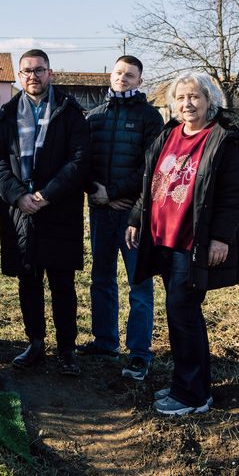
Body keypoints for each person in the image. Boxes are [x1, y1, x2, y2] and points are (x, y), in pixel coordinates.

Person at [126, 71, 239, 415]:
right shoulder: (169, 133)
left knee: (183, 311)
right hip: (162, 238)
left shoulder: (225, 138)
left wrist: (220, 238)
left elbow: (234, 195)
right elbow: (152, 180)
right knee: (179, 311)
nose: (187, 104)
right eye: (181, 98)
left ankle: (193, 395)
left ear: (210, 100)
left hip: (192, 242)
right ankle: (188, 383)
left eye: (195, 96)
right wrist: (138, 218)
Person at [0, 49, 90, 376]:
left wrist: (47, 195)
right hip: (21, 210)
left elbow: (79, 160)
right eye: (27, 71)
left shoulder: (70, 112)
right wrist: (18, 196)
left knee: (62, 283)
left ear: (51, 73)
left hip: (59, 207)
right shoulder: (5, 115)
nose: (33, 76)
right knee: (28, 280)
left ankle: (67, 350)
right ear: (19, 76)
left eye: (39, 70)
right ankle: (34, 344)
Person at [76, 55, 164, 381]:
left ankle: (139, 352)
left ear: (139, 81)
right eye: (118, 73)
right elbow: (81, 161)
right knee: (101, 278)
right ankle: (105, 341)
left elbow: (151, 170)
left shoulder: (149, 118)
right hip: (99, 213)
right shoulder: (94, 117)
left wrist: (111, 192)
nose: (122, 78)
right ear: (110, 76)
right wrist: (93, 189)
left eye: (130, 75)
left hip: (134, 216)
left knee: (139, 284)